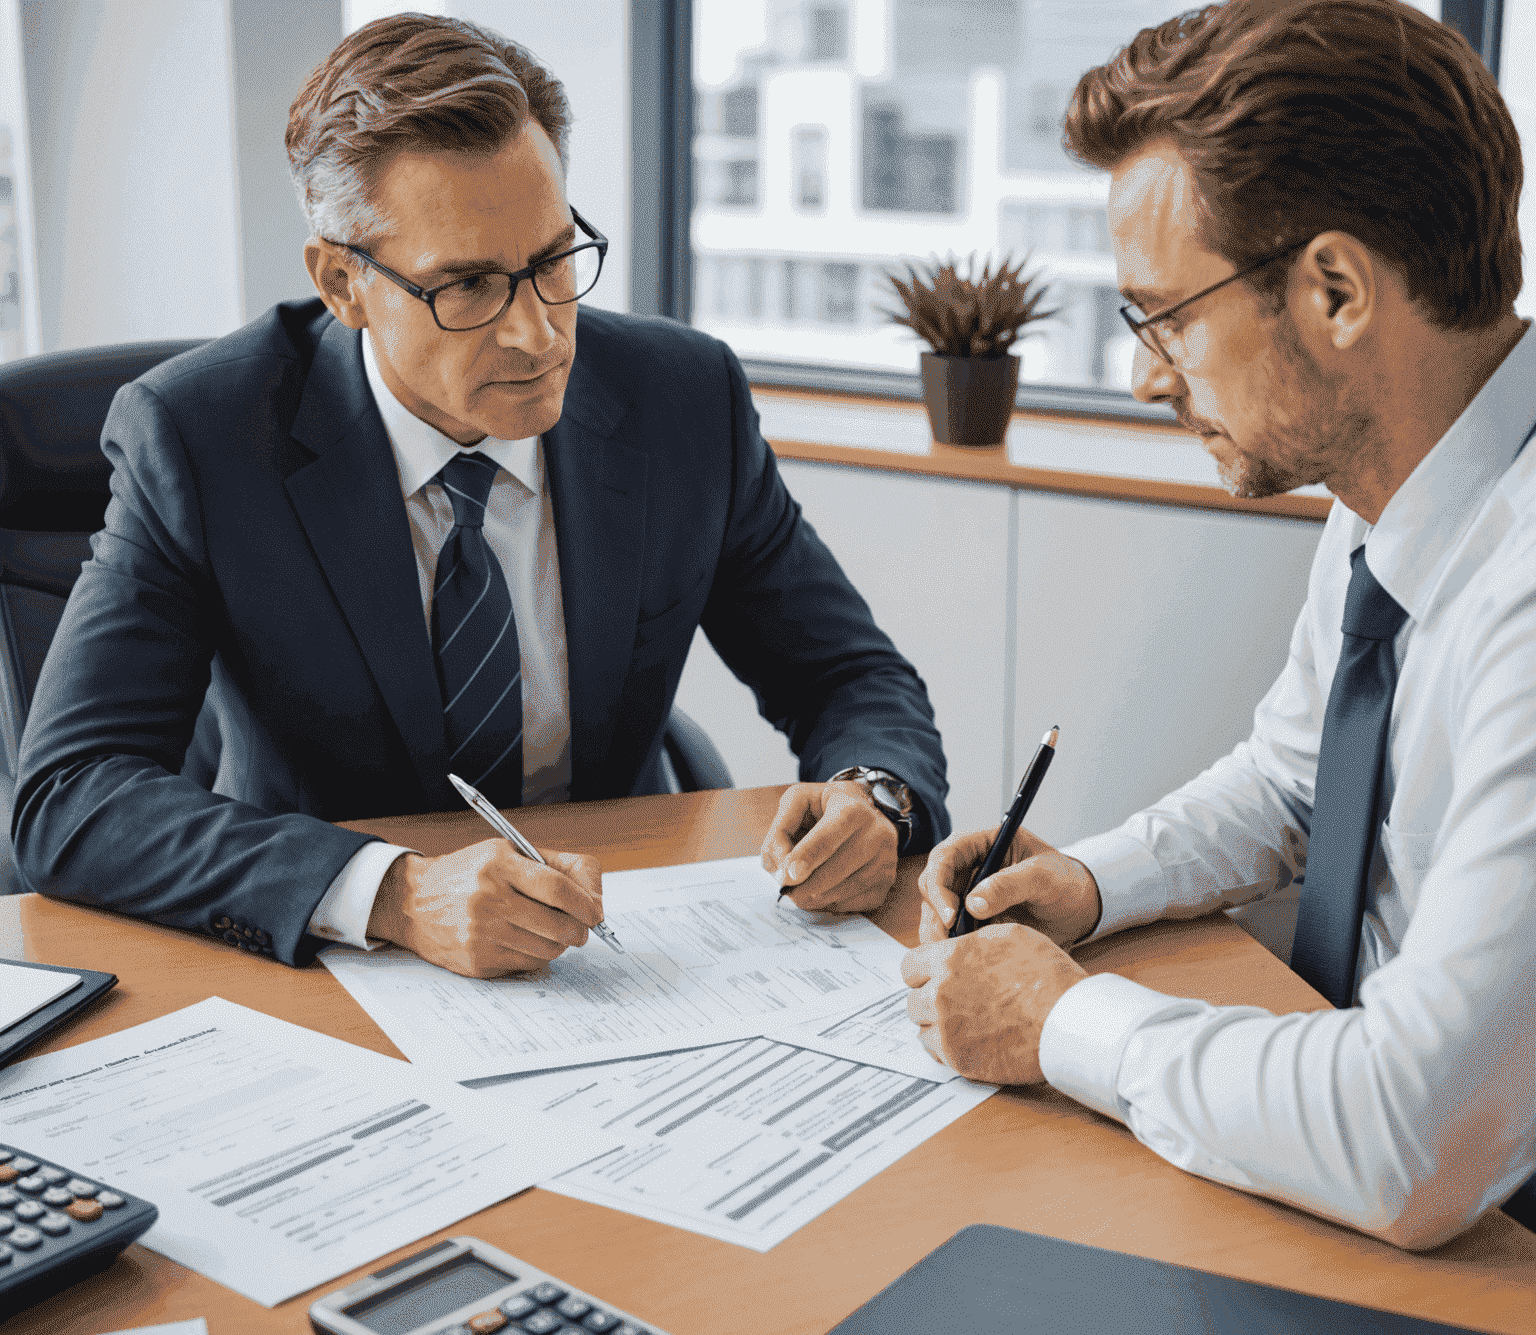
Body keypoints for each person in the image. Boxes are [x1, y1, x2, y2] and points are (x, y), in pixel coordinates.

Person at [11, 14, 948, 977]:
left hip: (626, 939)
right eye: (467, 287)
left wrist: (874, 797)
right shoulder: (203, 438)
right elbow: (72, 797)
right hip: (346, 961)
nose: (539, 337)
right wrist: (395, 893)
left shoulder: (682, 401)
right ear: (343, 281)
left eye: (552, 262)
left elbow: (847, 674)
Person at [901, 0, 1536, 1250]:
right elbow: (1299, 778)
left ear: (1338, 290)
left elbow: (1415, 1134)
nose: (1146, 376)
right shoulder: (1397, 488)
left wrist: (1060, 1024)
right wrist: (1087, 885)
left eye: (1166, 317)